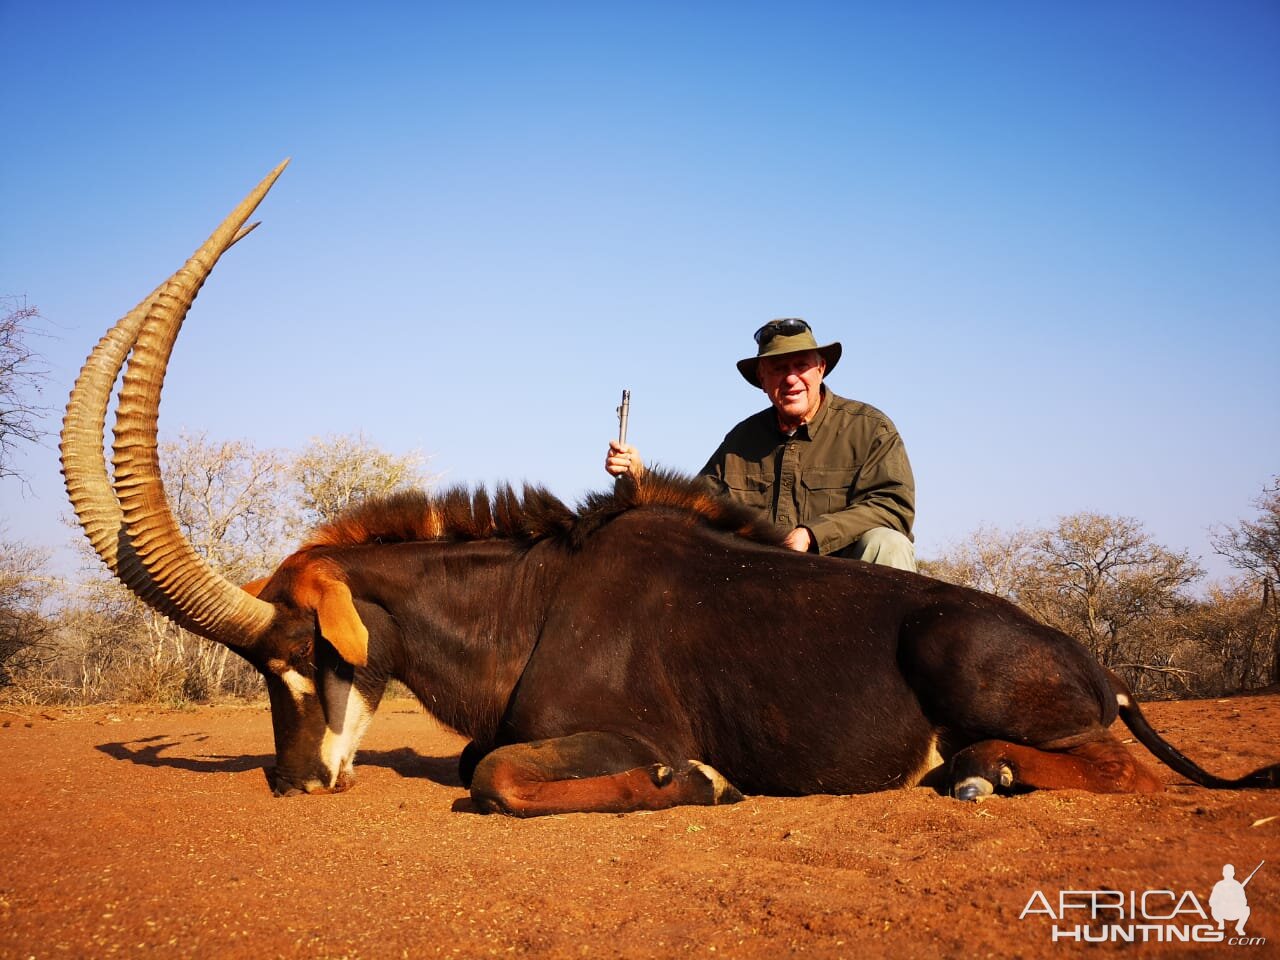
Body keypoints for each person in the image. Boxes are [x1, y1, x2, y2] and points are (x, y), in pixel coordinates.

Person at [605, 318, 916, 571]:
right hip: (763, 591)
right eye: (779, 369)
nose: (791, 379)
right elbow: (695, 508)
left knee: (887, 544)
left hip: (842, 584)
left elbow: (892, 506)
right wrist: (640, 479)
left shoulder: (870, 428)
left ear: (821, 368)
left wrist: (811, 535)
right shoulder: (741, 440)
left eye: (800, 365)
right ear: (762, 380)